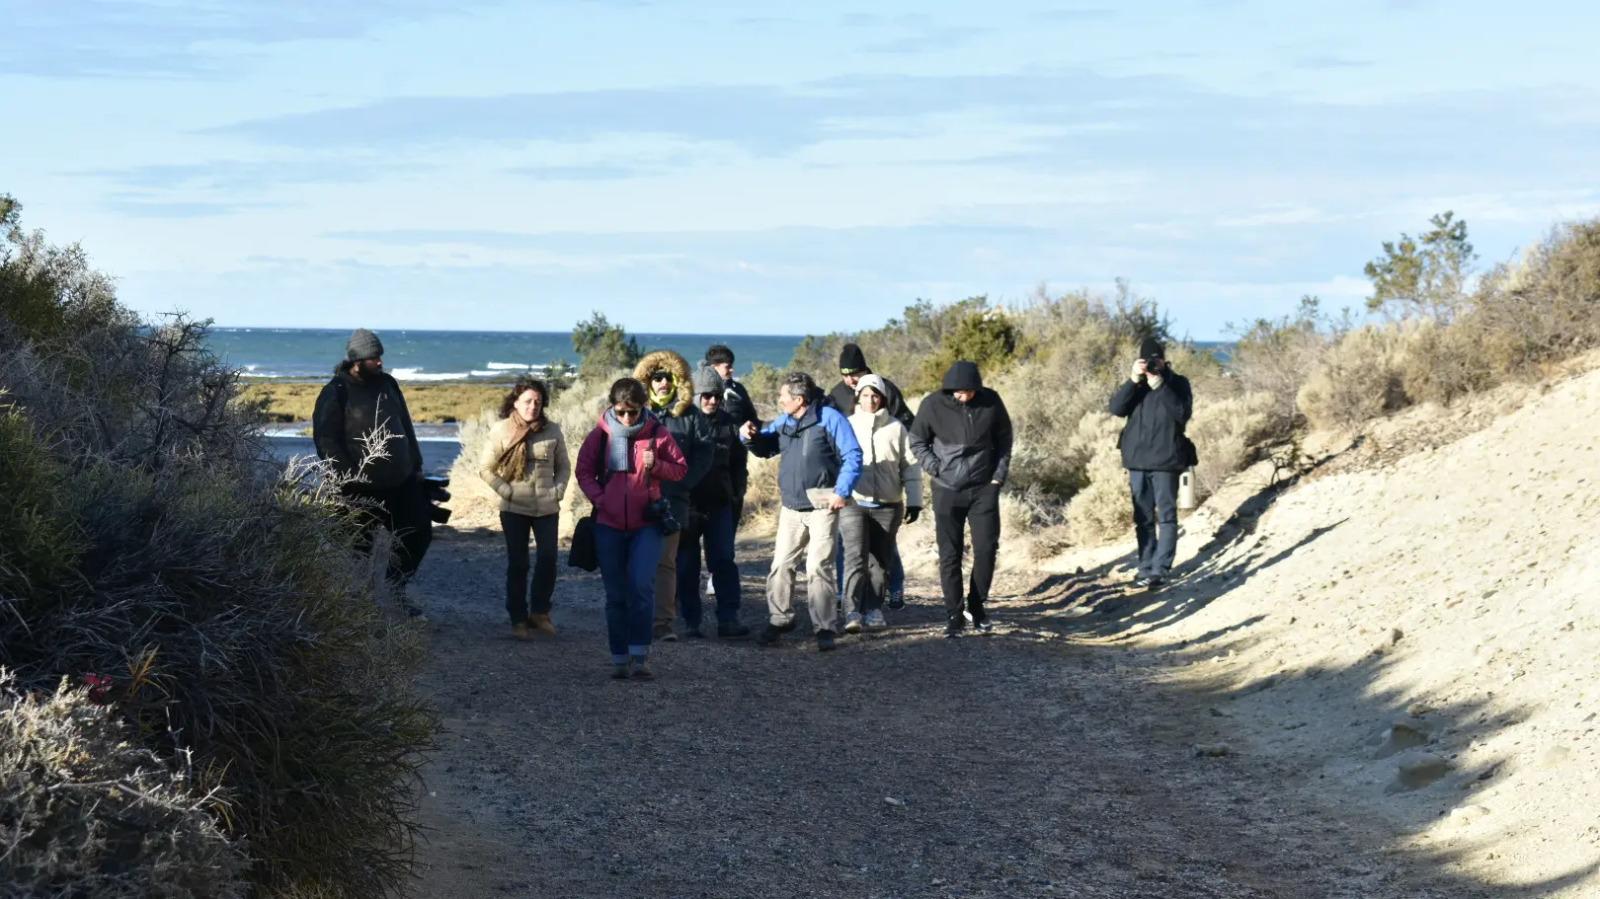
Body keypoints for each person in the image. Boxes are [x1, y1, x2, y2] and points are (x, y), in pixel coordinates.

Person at [575, 378, 688, 680]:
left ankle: (640, 655)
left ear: (643, 407)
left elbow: (680, 468)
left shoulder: (658, 434)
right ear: (613, 406)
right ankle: (619, 658)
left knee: (641, 587)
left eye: (634, 412)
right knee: (616, 595)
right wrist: (601, 499)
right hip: (608, 525)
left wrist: (657, 466)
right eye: (622, 412)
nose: (627, 418)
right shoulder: (599, 435)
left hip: (646, 525)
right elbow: (583, 471)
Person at [312, 328, 431, 612]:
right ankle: (356, 611)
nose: (379, 362)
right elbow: (326, 440)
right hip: (358, 492)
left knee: (419, 534)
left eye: (380, 357)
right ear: (356, 360)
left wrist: (416, 464)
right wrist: (348, 477)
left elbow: (405, 425)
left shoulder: (389, 384)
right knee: (357, 552)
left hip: (401, 483)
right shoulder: (336, 391)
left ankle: (394, 590)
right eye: (373, 358)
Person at [741, 372, 862, 651]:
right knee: (781, 565)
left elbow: (853, 455)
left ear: (799, 399)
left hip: (823, 505)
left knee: (818, 566)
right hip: (791, 507)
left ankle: (825, 628)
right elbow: (765, 446)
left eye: (784, 396)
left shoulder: (830, 419)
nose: (780, 400)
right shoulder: (785, 421)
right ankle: (780, 619)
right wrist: (748, 436)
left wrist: (841, 491)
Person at [908, 360, 1013, 638]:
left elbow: (1005, 439)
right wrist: (936, 468)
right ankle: (954, 615)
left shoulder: (991, 401)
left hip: (983, 488)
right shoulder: (933, 404)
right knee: (949, 554)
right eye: (957, 391)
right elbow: (917, 440)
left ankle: (977, 608)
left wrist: (997, 478)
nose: (962, 395)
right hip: (946, 489)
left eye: (967, 391)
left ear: (977, 387)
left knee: (987, 549)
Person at [477, 376, 570, 641]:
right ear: (515, 402)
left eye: (538, 402)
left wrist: (558, 491)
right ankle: (518, 618)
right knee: (518, 563)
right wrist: (507, 491)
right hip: (513, 508)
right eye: (528, 401)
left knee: (549, 559)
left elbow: (563, 466)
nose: (533, 406)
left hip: (547, 506)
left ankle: (540, 612)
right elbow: (485, 469)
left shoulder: (552, 430)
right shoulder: (501, 430)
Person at [633, 350, 714, 642]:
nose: (663, 383)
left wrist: (685, 482)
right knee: (638, 561)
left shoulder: (690, 416)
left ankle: (663, 623)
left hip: (673, 501)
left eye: (669, 378)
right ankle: (637, 617)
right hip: (637, 500)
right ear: (648, 382)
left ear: (678, 381)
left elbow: (705, 451)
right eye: (657, 378)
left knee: (666, 563)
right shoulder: (635, 413)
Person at [826, 343, 913, 610]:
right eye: (845, 374)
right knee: (847, 544)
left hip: (885, 481)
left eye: (856, 372)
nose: (851, 379)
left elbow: (908, 422)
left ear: (866, 369)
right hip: (851, 483)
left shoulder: (883, 389)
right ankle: (845, 594)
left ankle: (895, 587)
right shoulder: (837, 394)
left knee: (884, 545)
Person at [1107, 337, 1193, 588]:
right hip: (1137, 461)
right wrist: (1134, 379)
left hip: (1166, 461)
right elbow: (1116, 408)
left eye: (1156, 360)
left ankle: (1160, 569)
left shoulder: (1178, 383)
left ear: (1165, 361)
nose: (1153, 365)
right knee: (1142, 518)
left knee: (1166, 516)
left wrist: (1160, 385)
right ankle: (1144, 567)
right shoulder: (1137, 386)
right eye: (1148, 361)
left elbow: (1181, 414)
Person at [841, 374, 922, 632]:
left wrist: (915, 501)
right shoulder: (847, 425)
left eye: (875, 395)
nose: (870, 399)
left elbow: (910, 466)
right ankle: (851, 611)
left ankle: (874, 608)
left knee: (880, 561)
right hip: (854, 502)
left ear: (883, 398)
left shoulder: (897, 428)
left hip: (889, 504)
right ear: (858, 397)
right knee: (855, 557)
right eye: (865, 394)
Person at [675, 365, 751, 639]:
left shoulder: (731, 424)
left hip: (720, 504)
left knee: (723, 561)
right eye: (706, 395)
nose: (711, 401)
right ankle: (690, 621)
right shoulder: (681, 422)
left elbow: (739, 464)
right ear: (695, 395)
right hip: (688, 505)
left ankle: (728, 618)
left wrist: (736, 494)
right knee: (686, 564)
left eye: (716, 396)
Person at [704, 344, 759, 531]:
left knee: (731, 516)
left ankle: (727, 557)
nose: (732, 369)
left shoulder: (738, 390)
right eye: (728, 366)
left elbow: (753, 418)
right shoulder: (696, 393)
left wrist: (752, 429)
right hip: (707, 465)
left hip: (735, 463)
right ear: (713, 367)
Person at [827, 342, 914, 425]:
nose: (850, 381)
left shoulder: (886, 389)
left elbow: (906, 423)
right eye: (845, 376)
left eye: (854, 375)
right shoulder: (836, 395)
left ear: (864, 371)